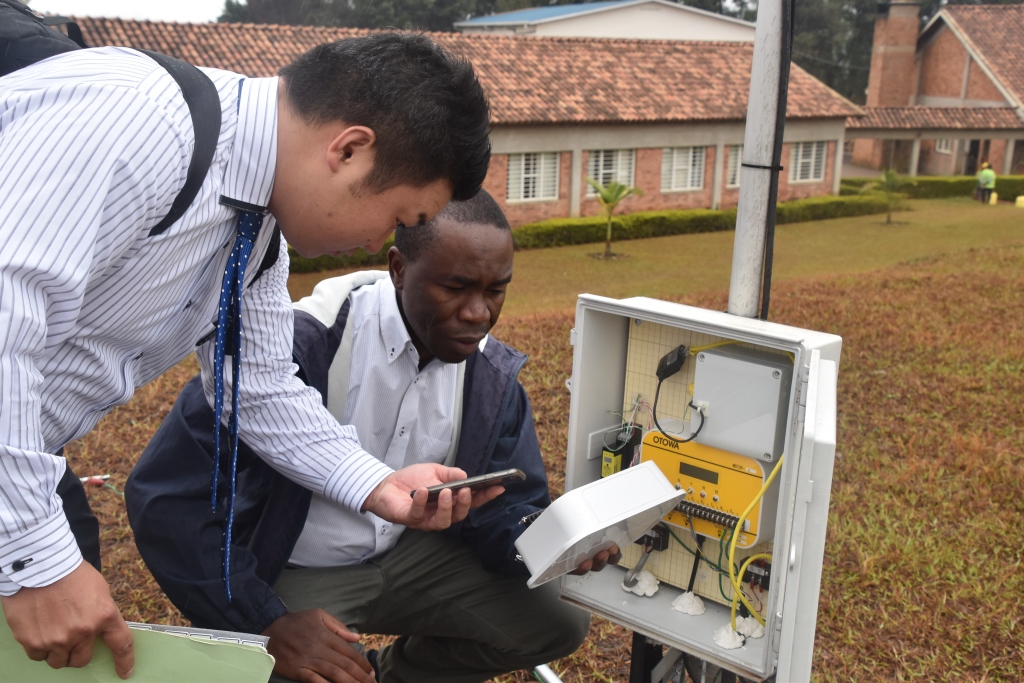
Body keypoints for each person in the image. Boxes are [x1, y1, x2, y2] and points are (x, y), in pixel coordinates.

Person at [0, 33, 492, 678]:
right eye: (399, 216)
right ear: (349, 149)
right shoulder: (132, 121)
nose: (382, 241)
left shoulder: (255, 232)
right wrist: (33, 558)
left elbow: (255, 387)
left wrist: (374, 483)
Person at [125, 191, 617, 683]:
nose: (478, 314)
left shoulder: (491, 375)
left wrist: (552, 542)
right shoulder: (294, 347)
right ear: (398, 268)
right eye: (456, 286)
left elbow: (507, 507)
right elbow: (164, 497)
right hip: (294, 570)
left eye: (495, 291)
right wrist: (266, 622)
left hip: (411, 560)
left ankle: (395, 676)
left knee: (557, 620)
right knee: (290, 668)